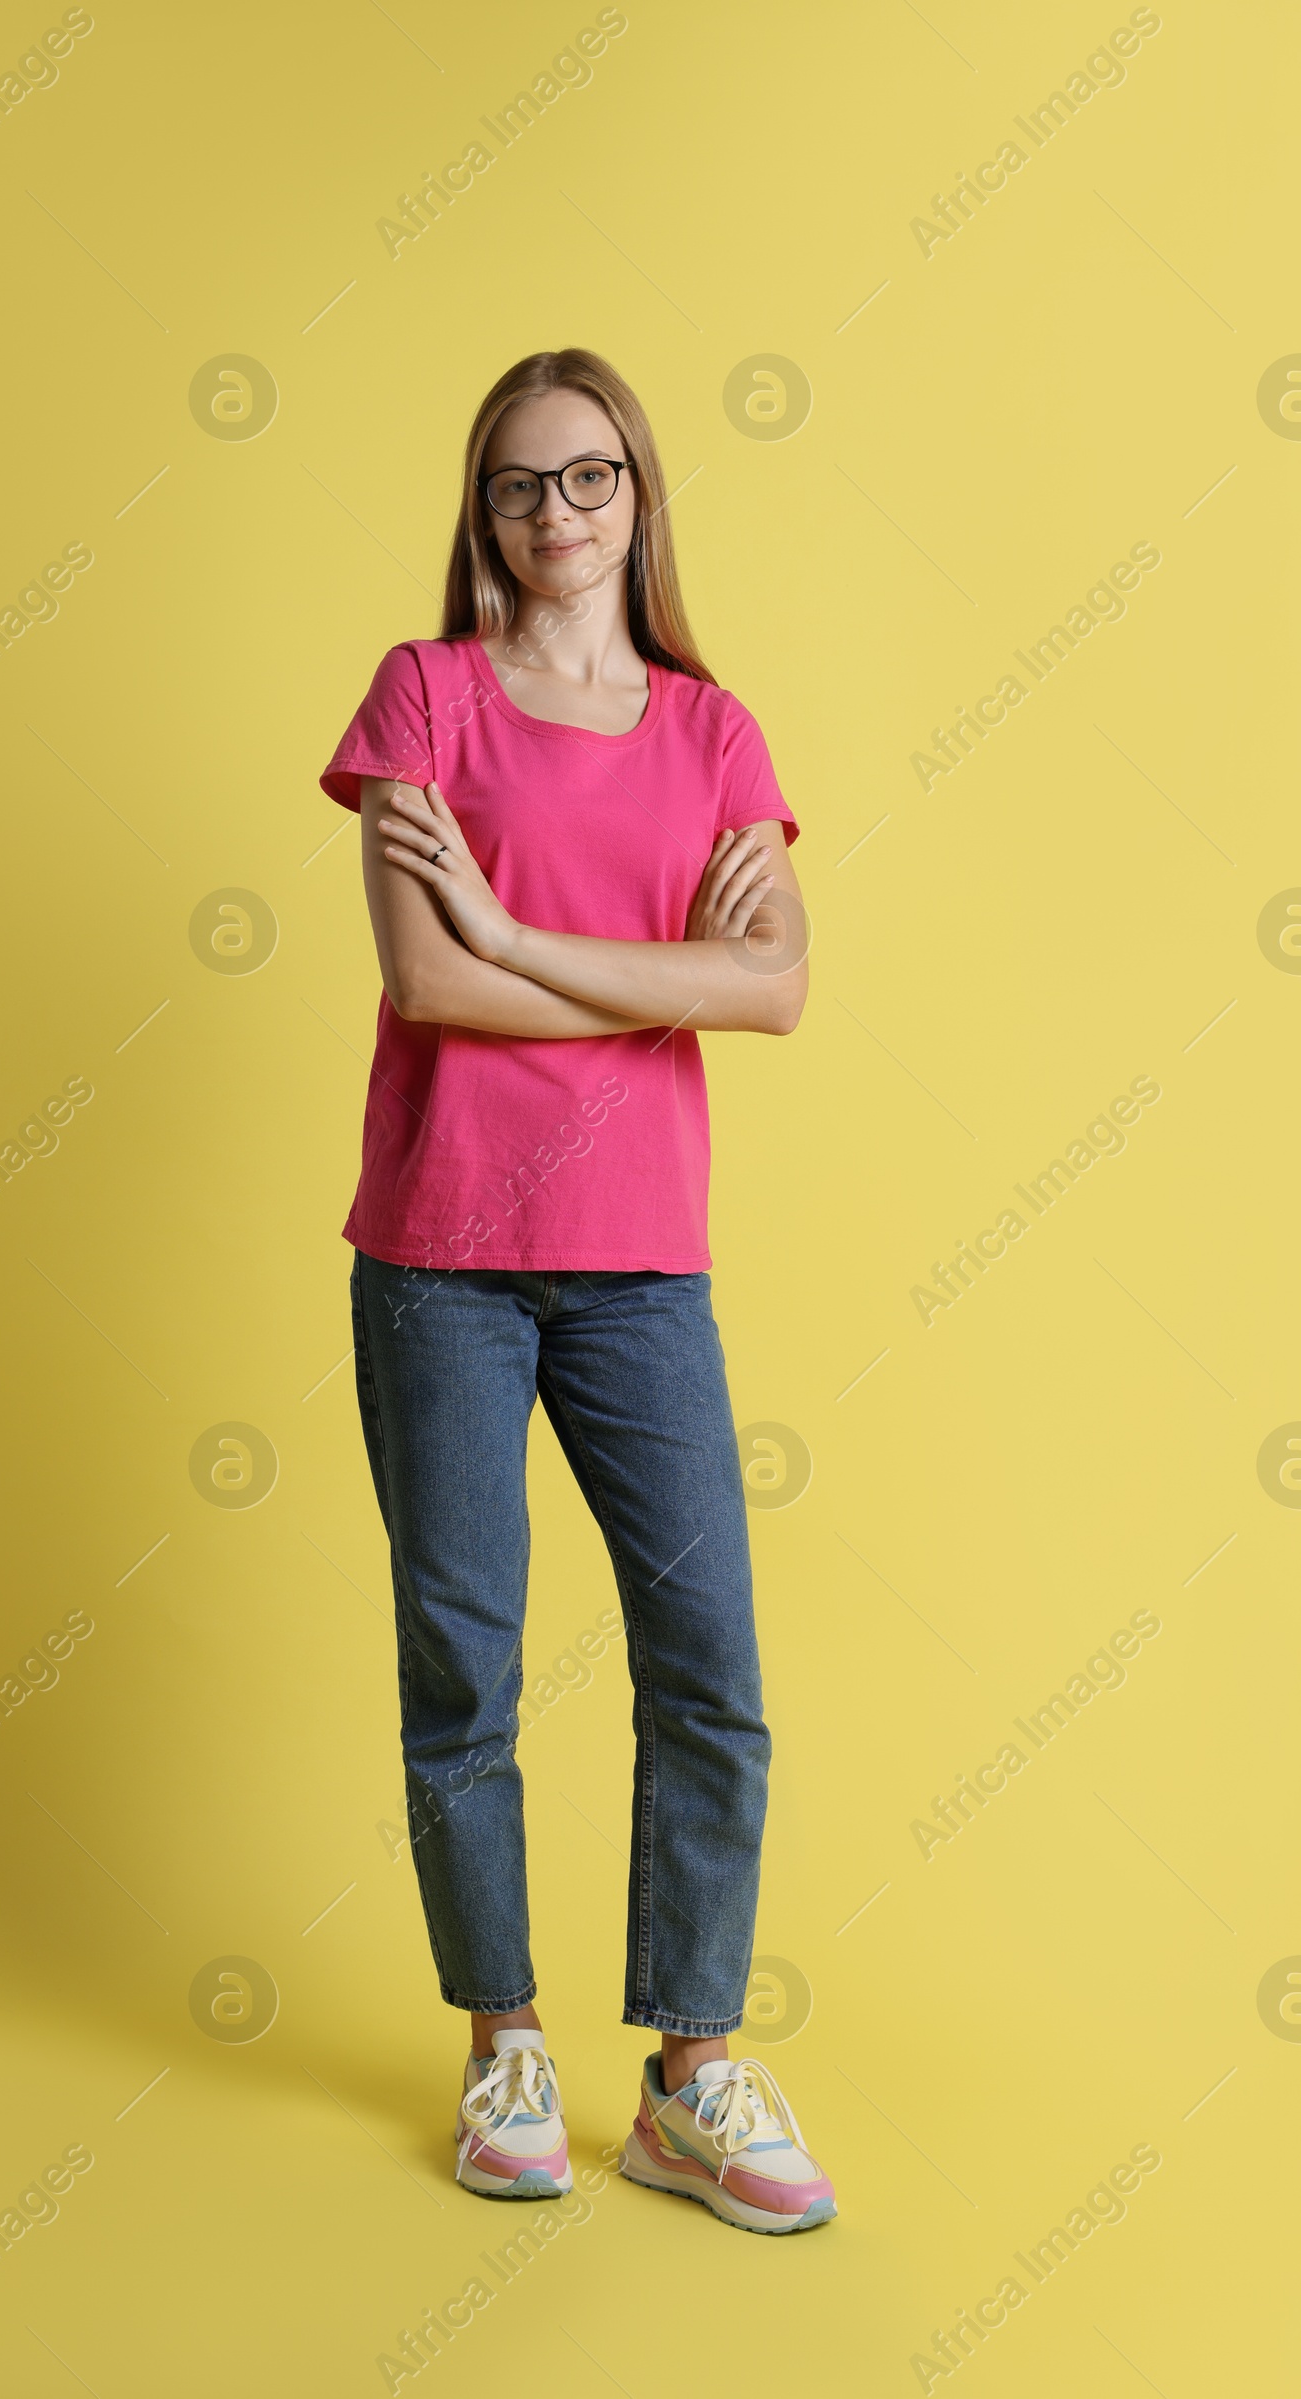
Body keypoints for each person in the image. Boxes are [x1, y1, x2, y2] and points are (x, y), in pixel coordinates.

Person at [319, 348, 836, 2234]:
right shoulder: (425, 699)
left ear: (641, 490)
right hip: (443, 1257)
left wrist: (522, 926)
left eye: (592, 476)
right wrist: (648, 974)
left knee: (711, 1671)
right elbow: (428, 993)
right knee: (465, 1670)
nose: (560, 516)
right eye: (524, 485)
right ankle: (505, 2046)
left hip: (640, 1274)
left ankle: (693, 2072)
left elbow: (774, 990)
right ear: (487, 506)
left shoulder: (714, 733)